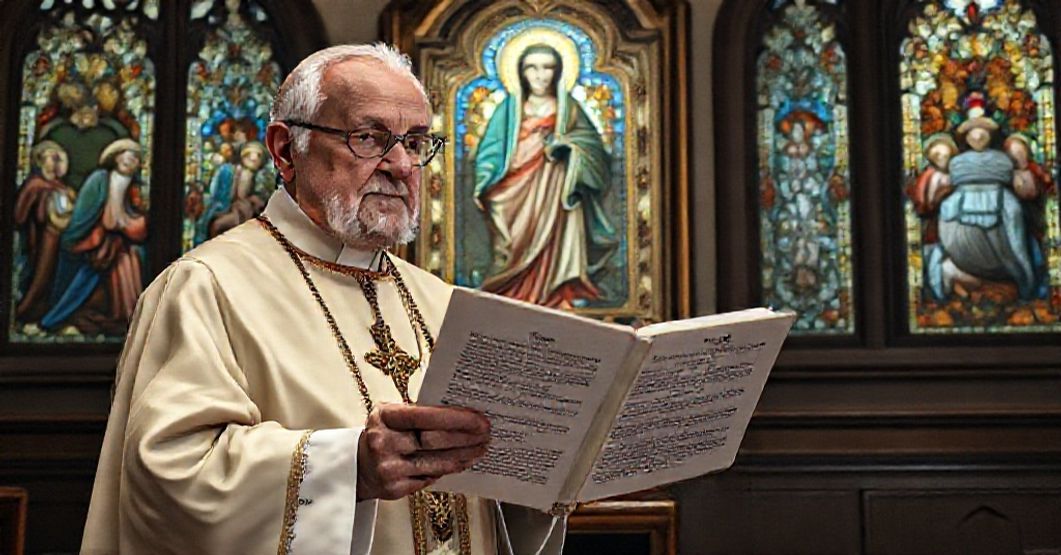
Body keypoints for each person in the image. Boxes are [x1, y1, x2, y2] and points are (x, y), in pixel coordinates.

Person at [81, 44, 565, 554]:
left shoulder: (441, 302)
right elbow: (168, 479)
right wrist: (349, 466)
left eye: (416, 141)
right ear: (286, 150)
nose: (401, 165)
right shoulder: (206, 285)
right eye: (369, 137)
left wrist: (543, 474)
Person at [474, 44, 616, 309]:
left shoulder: (569, 108)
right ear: (521, 72)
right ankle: (513, 292)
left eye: (547, 67)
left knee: (556, 236)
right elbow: (490, 151)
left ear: (558, 72)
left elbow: (593, 149)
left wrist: (569, 148)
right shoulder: (509, 109)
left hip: (555, 186)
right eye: (532, 67)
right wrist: (486, 180)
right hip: (514, 187)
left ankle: (556, 290)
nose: (540, 75)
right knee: (512, 244)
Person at [40, 138, 147, 334]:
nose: (129, 161)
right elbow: (86, 213)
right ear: (115, 157)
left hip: (118, 241)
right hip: (92, 239)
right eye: (126, 156)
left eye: (134, 159)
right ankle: (55, 319)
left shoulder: (135, 187)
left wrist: (131, 225)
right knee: (86, 275)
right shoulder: (100, 179)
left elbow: (134, 215)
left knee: (130, 261)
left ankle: (130, 319)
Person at [14, 141, 76, 324]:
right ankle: (26, 310)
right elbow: (19, 215)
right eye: (51, 158)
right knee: (38, 273)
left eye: (58, 158)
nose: (55, 162)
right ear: (40, 161)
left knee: (52, 275)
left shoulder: (60, 186)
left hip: (58, 238)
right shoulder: (34, 184)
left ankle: (44, 310)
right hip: (39, 238)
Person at [194, 140, 270, 245]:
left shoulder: (262, 178)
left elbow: (261, 200)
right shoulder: (231, 171)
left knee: (219, 226)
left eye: (257, 157)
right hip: (229, 208)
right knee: (215, 225)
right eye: (249, 157)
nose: (253, 160)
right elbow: (216, 191)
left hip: (245, 212)